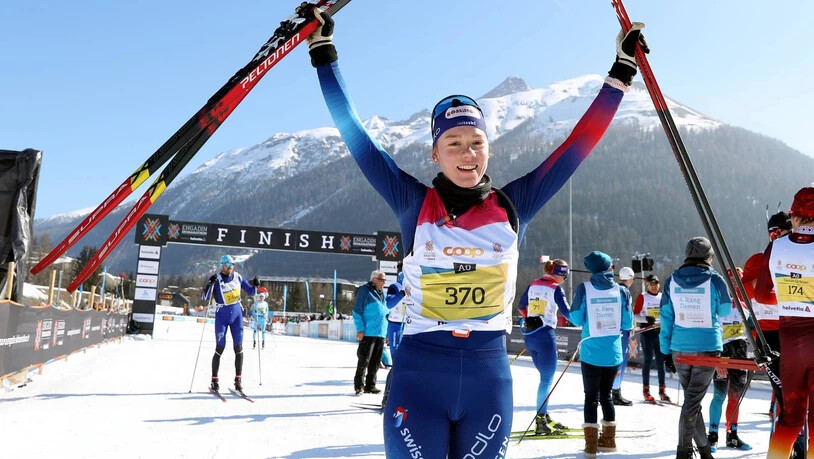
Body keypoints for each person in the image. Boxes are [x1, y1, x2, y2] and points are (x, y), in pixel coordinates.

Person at [304, 5, 646, 456]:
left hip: (487, 379)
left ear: (488, 147)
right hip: (419, 378)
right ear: (435, 153)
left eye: (476, 142)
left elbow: (575, 148)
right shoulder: (413, 203)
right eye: (454, 143)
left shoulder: (513, 204)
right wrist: (323, 53)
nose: (467, 153)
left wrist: (620, 74)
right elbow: (355, 135)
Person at [660, 237, 732, 459]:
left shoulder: (672, 280)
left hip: (679, 348)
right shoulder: (715, 280)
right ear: (708, 257)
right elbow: (725, 311)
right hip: (707, 347)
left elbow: (666, 318)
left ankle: (704, 452)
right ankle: (683, 452)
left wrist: (665, 350)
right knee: (692, 402)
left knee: (693, 402)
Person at [756, 187, 814, 458]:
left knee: (790, 418)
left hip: (790, 340)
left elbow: (760, 295)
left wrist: (789, 298)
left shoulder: (776, 246)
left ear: (796, 217)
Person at [570, 251, 633, 456]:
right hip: (613, 352)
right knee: (607, 396)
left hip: (590, 353)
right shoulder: (622, 291)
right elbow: (627, 323)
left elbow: (576, 319)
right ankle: (609, 440)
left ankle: (591, 447)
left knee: (591, 397)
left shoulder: (584, 289)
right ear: (609, 267)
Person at [518, 258, 572, 436]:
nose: (565, 279)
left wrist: (532, 317)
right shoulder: (556, 288)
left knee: (544, 379)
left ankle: (544, 414)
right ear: (559, 273)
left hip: (530, 336)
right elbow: (568, 313)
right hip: (545, 336)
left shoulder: (534, 283)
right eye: (565, 275)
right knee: (547, 380)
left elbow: (521, 306)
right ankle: (540, 421)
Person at [706, 269, 751, 452]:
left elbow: (749, 333)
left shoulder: (746, 306)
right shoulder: (719, 305)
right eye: (731, 281)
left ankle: (732, 436)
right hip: (723, 354)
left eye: (738, 281)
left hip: (740, 354)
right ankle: (712, 437)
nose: (734, 285)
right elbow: (712, 333)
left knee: (735, 396)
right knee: (719, 395)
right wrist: (717, 360)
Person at [201, 255, 259, 392]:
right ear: (222, 265)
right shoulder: (217, 279)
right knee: (220, 347)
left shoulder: (238, 277)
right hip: (222, 316)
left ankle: (238, 379)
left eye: (232, 264)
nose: (230, 267)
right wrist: (209, 284)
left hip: (237, 315)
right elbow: (205, 297)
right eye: (227, 264)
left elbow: (251, 291)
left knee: (238, 348)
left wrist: (256, 285)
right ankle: (214, 379)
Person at [633, 274, 668, 403]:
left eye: (656, 284)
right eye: (651, 285)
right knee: (647, 360)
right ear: (647, 285)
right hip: (647, 331)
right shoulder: (643, 297)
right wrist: (645, 319)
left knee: (660, 361)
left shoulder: (663, 296)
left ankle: (662, 390)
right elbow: (635, 315)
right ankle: (646, 390)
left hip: (660, 331)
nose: (654, 287)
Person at [352, 270, 389, 395]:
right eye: (382, 280)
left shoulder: (381, 293)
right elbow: (357, 311)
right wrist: (360, 329)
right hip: (368, 332)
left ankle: (370, 385)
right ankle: (359, 386)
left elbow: (384, 312)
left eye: (385, 280)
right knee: (364, 360)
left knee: (375, 362)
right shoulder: (365, 291)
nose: (384, 282)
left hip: (380, 333)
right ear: (374, 279)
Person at [382, 265, 408, 408]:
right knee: (396, 363)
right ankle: (387, 398)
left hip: (409, 327)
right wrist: (402, 294)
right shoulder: (395, 286)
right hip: (396, 326)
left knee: (407, 363)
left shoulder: (415, 284)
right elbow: (389, 304)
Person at [612, 266, 636, 406]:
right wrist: (630, 327)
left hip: (613, 330)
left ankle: (607, 391)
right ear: (631, 279)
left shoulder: (614, 289)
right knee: (620, 361)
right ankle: (615, 392)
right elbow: (627, 313)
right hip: (622, 331)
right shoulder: (625, 292)